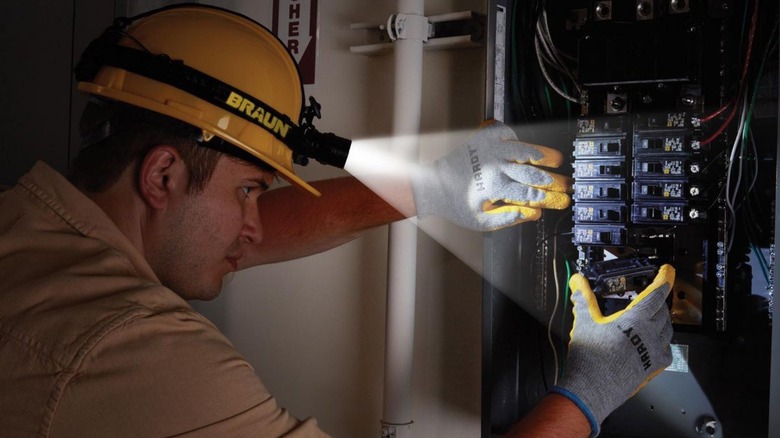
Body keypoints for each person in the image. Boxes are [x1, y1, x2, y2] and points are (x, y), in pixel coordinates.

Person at [0, 4, 674, 437]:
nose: (256, 226)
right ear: (163, 175)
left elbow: (228, 233)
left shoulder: (30, 226)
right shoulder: (138, 353)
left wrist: (429, 189)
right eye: (248, 192)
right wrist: (588, 394)